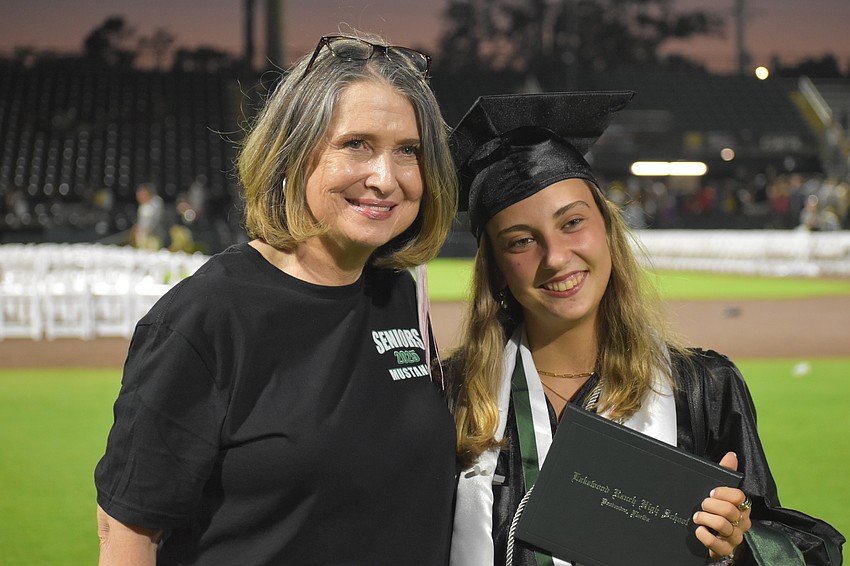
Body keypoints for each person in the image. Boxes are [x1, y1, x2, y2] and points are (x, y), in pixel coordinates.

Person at [95, 31, 458, 565]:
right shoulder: (208, 316)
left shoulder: (398, 295)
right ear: (292, 152)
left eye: (408, 151)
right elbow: (127, 534)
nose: (385, 178)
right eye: (356, 144)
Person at [446, 92, 844, 566]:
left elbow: (800, 549)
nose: (554, 257)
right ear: (495, 268)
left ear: (608, 230)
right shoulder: (451, 396)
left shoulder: (702, 391)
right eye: (521, 241)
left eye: (572, 222)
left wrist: (738, 547)